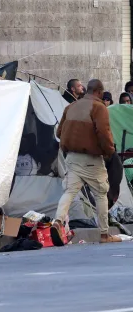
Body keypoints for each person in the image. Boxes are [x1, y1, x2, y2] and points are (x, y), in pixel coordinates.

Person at [53, 79, 121, 244]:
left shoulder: (71, 107)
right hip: (92, 159)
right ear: (98, 92)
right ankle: (105, 234)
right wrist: (109, 151)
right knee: (100, 194)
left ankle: (57, 222)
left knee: (69, 192)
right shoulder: (99, 108)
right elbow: (104, 133)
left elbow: (59, 132)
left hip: (71, 158)